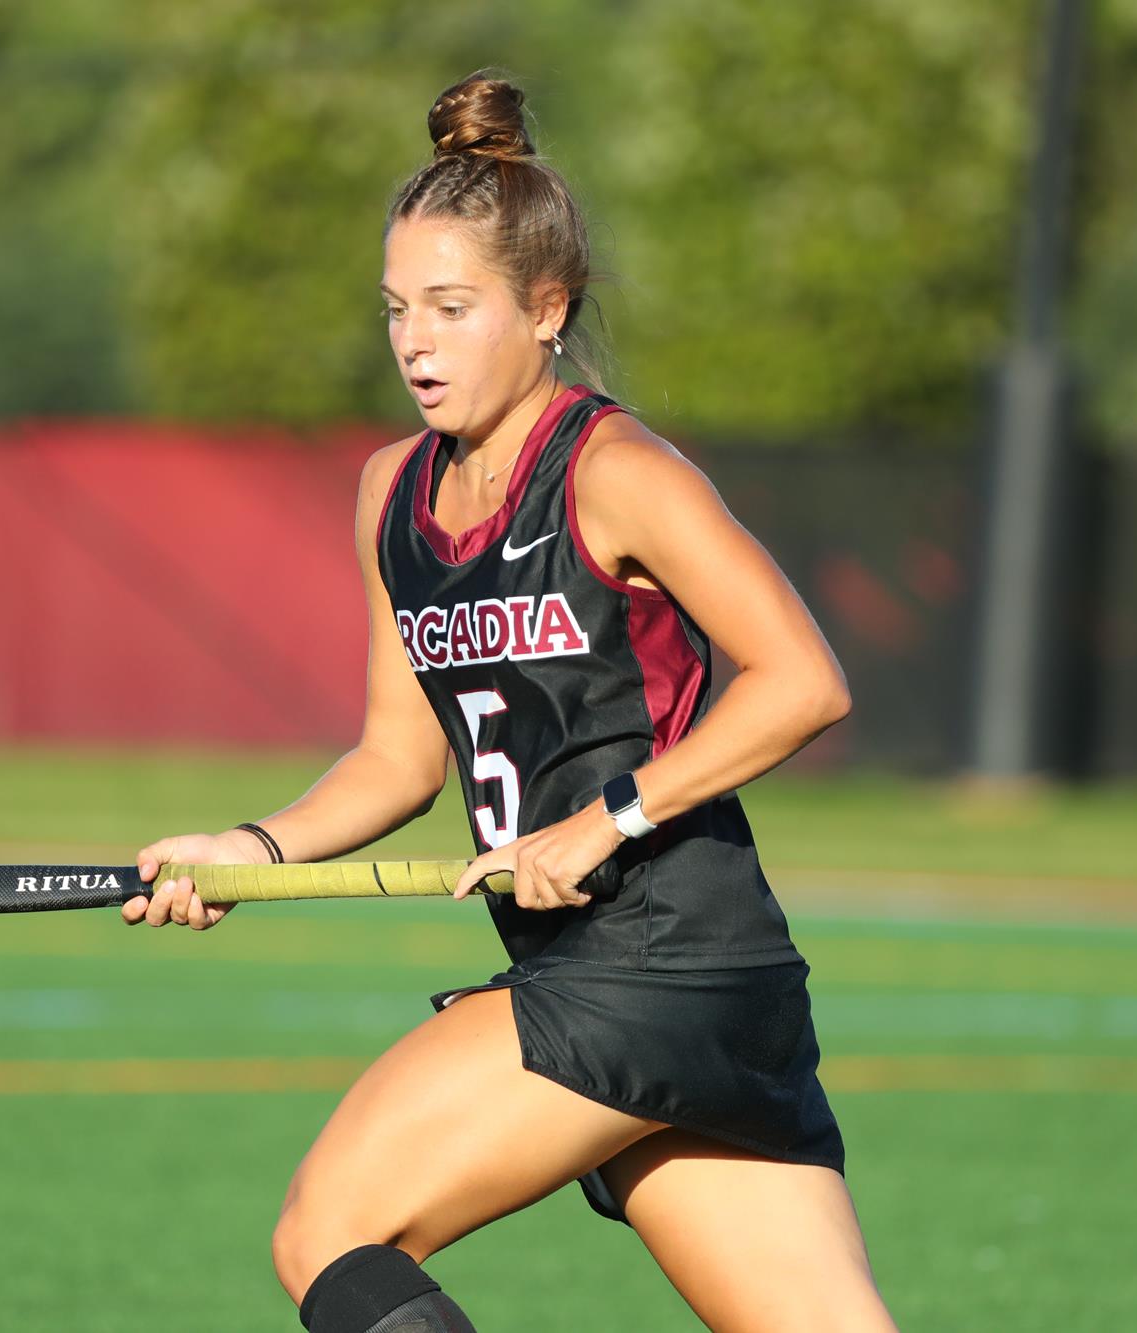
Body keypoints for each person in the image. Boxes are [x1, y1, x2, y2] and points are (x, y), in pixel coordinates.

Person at [124, 73, 897, 1333]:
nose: (413, 343)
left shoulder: (616, 471)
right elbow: (393, 759)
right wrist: (246, 851)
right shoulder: (391, 494)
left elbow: (803, 680)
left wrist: (608, 817)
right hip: (676, 985)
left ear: (545, 310)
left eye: (449, 307)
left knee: (330, 1230)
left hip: (652, 959)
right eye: (394, 311)